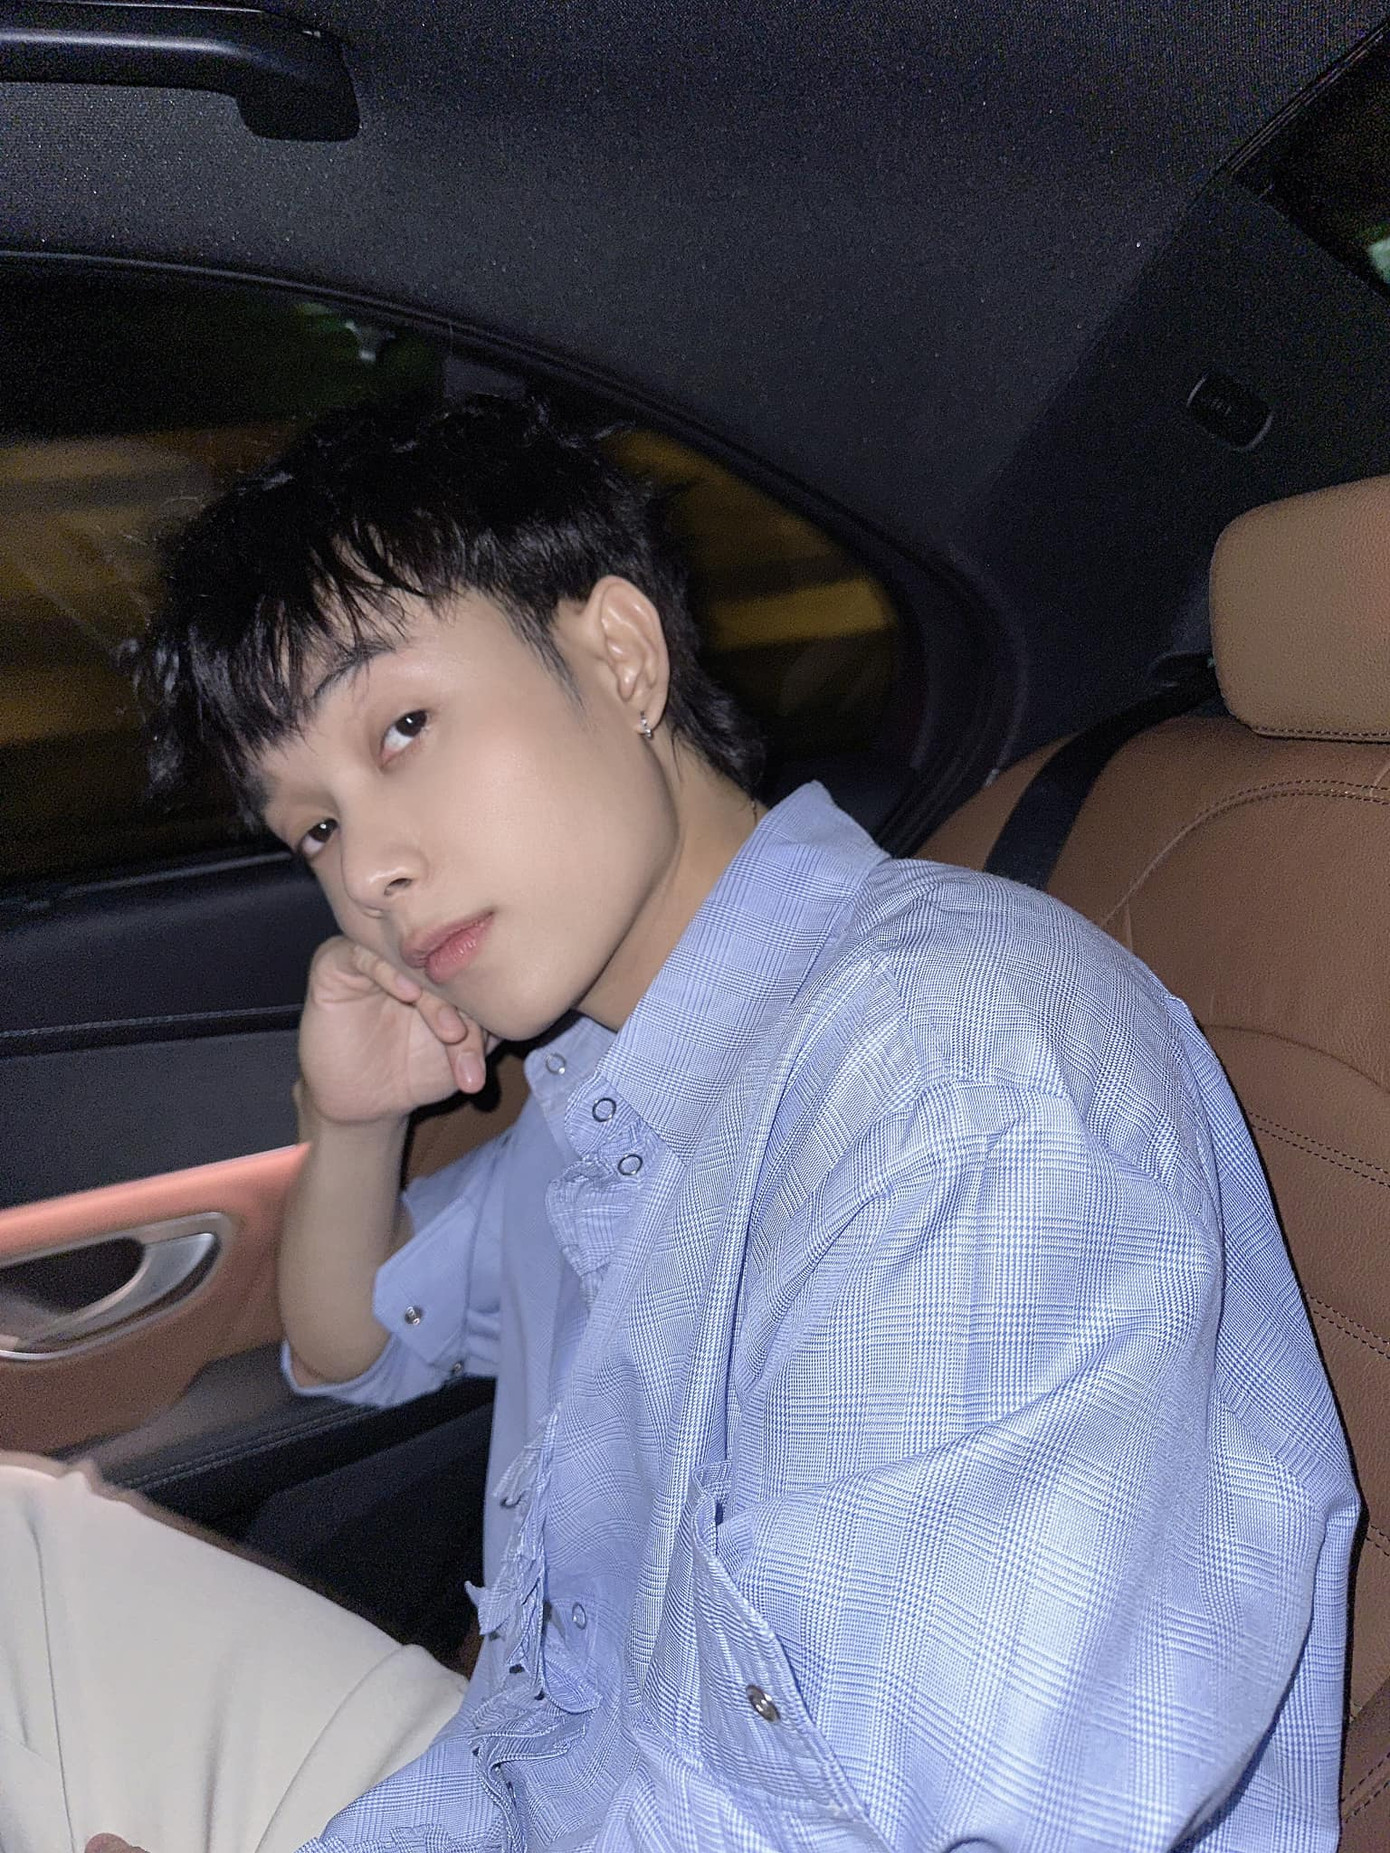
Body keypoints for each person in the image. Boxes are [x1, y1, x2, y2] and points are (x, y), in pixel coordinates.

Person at [3, 395, 1358, 1853]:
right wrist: (348, 1121)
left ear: (619, 656)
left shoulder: (952, 1073)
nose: (370, 871)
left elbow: (899, 1815)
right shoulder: (616, 1089)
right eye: (314, 827)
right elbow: (355, 1345)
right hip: (521, 1780)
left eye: (402, 727)